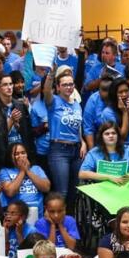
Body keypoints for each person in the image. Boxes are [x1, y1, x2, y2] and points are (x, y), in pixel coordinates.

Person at [39, 67, 86, 202]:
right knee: (62, 192)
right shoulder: (53, 101)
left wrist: (83, 142)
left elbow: (78, 128)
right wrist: (51, 74)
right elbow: (46, 91)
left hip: (77, 151)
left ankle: (71, 222)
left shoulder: (77, 104)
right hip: (59, 151)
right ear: (58, 87)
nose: (68, 87)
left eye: (71, 84)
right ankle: (58, 222)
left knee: (75, 191)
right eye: (64, 84)